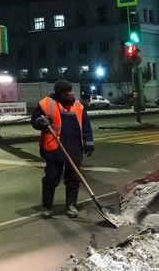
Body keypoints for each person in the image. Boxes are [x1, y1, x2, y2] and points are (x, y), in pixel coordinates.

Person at [31, 79, 94, 219]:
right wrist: (41, 122)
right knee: (51, 178)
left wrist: (89, 144)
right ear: (60, 94)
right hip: (54, 148)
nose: (72, 94)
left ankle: (71, 206)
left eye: (71, 91)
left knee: (72, 179)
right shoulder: (46, 104)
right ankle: (47, 207)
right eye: (68, 92)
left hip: (74, 148)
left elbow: (85, 126)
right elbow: (34, 121)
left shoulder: (78, 106)